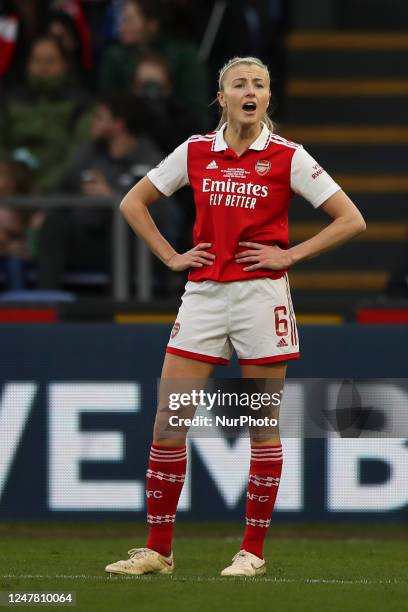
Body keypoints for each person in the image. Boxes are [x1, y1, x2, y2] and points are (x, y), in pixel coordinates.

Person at [105, 56, 366, 577]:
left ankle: (252, 553)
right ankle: (158, 551)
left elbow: (351, 219)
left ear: (268, 99)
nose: (251, 91)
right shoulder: (197, 151)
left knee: (262, 428)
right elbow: (134, 203)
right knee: (169, 421)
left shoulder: (289, 158)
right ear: (221, 98)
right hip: (203, 296)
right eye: (240, 84)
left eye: (260, 84)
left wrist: (289, 256)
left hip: (261, 299)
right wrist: (172, 257)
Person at [37, 92, 180, 292]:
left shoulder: (150, 159)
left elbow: (161, 215)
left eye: (99, 117)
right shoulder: (88, 152)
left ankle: (116, 307)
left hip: (133, 249)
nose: (92, 123)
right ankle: (46, 301)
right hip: (91, 239)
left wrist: (111, 197)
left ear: (118, 124)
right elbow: (62, 189)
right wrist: (44, 212)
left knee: (121, 231)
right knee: (55, 224)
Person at [0, 34, 91, 193]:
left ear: (65, 64)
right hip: (11, 191)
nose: (43, 67)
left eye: (50, 61)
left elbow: (77, 153)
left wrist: (45, 187)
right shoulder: (10, 101)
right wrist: (13, 180)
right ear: (28, 64)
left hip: (61, 192)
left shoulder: (81, 104)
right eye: (37, 61)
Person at [98, 0, 209, 130]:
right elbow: (106, 102)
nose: (122, 27)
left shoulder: (183, 55)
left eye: (129, 20)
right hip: (127, 134)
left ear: (152, 24)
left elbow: (198, 113)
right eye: (122, 20)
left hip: (175, 133)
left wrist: (166, 97)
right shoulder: (115, 56)